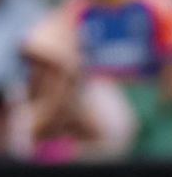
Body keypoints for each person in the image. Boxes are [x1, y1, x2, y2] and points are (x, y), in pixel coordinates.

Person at [10, 12, 139, 161]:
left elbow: (121, 144)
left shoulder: (100, 92)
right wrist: (47, 117)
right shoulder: (19, 94)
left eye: (47, 64)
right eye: (34, 62)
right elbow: (17, 148)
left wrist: (79, 117)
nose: (38, 71)